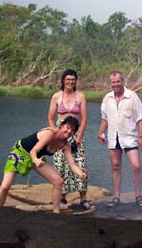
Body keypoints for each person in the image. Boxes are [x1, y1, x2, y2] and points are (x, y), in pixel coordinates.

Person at [0, 116, 87, 214]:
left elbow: (72, 165)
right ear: (61, 126)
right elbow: (34, 151)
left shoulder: (65, 145)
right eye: (67, 128)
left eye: (72, 130)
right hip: (20, 153)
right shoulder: (50, 133)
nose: (69, 132)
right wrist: (35, 160)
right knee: (5, 187)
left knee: (58, 181)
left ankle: (56, 213)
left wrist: (80, 174)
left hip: (37, 158)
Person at [97, 70, 142, 208]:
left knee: (136, 165)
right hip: (114, 137)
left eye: (118, 81)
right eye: (113, 82)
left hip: (130, 137)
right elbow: (105, 118)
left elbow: (140, 118)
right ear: (110, 83)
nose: (115, 84)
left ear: (123, 81)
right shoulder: (107, 98)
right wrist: (101, 132)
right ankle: (116, 197)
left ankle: (138, 196)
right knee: (115, 166)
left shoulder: (132, 96)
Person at [47, 69, 95, 211]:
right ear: (63, 80)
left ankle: (83, 198)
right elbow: (50, 117)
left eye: (73, 80)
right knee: (60, 164)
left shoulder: (80, 96)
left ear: (76, 81)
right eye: (68, 79)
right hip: (60, 133)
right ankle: (61, 197)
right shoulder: (56, 96)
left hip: (75, 132)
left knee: (79, 163)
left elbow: (84, 118)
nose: (70, 82)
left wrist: (79, 136)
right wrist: (54, 133)